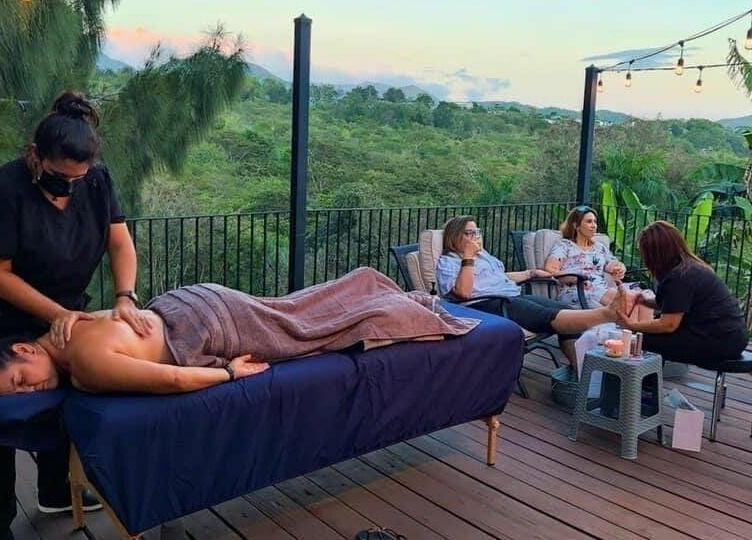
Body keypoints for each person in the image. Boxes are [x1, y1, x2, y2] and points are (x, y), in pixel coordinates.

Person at [0, 91, 149, 537]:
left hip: (70, 310)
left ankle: (56, 489)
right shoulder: (8, 188)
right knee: (5, 408)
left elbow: (120, 243)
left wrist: (125, 297)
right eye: (60, 177)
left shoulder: (97, 182)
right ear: (36, 156)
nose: (69, 185)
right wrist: (56, 313)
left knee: (65, 398)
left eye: (77, 178)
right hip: (10, 316)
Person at [0, 267, 478, 395]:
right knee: (295, 311)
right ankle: (374, 288)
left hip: (202, 325)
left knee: (309, 330)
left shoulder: (83, 364)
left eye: (20, 379)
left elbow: (174, 380)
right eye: (18, 394)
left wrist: (229, 374)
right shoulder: (68, 325)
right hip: (185, 302)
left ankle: (398, 303)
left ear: (24, 348)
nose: (29, 390)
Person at [435, 216, 625, 368]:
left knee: (565, 310)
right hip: (485, 305)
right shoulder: (449, 261)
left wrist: (530, 273)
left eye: (477, 232)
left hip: (510, 296)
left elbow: (498, 277)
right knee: (547, 315)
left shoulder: (483, 256)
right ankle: (606, 314)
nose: (475, 237)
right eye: (469, 233)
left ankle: (580, 373)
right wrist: (468, 257)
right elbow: (463, 293)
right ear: (454, 237)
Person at [616, 220, 747, 369]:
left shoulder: (679, 277)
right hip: (732, 336)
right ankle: (650, 381)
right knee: (648, 335)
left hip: (718, 341)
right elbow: (675, 305)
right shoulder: (690, 268)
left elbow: (668, 325)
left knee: (639, 340)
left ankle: (640, 382)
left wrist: (632, 325)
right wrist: (645, 301)